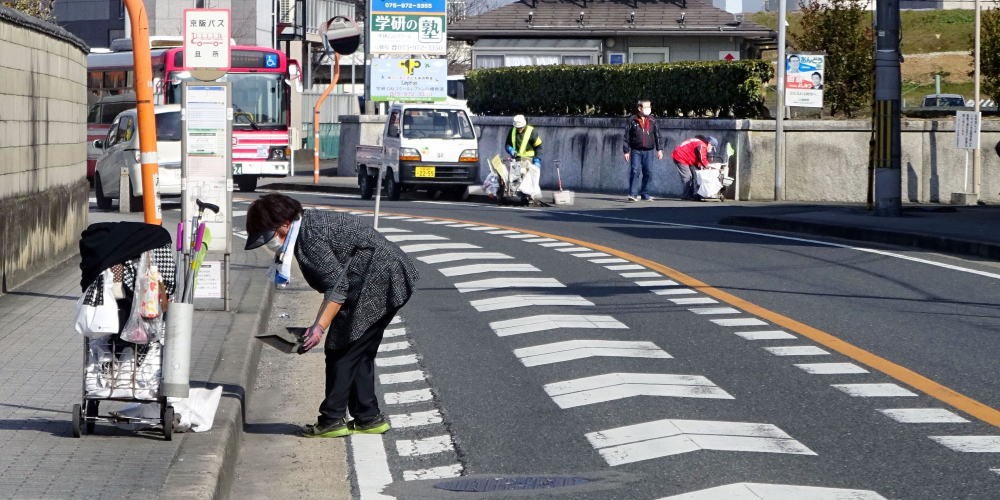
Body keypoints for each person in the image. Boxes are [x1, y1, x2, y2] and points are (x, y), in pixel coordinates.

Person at [244, 194, 420, 438]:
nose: (270, 242)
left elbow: (337, 287)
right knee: (359, 349)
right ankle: (368, 417)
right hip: (387, 276)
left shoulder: (310, 236)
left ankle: (332, 419)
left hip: (380, 280)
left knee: (342, 349)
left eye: (270, 234)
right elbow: (338, 283)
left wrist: (319, 327)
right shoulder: (307, 226)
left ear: (284, 224)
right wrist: (320, 322)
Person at [622, 99, 664, 202]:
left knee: (648, 172)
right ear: (639, 108)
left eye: (649, 106)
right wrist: (626, 151)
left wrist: (659, 149)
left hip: (649, 151)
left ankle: (645, 193)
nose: (648, 109)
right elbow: (626, 136)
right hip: (636, 150)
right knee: (635, 170)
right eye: (646, 107)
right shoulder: (632, 120)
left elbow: (657, 135)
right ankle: (633, 194)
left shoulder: (652, 120)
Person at [505, 114, 544, 203]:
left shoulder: (532, 131)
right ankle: (520, 197)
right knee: (516, 180)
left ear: (524, 125)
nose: (519, 129)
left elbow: (539, 146)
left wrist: (537, 160)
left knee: (528, 180)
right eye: (517, 128)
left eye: (521, 128)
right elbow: (507, 145)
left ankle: (529, 197)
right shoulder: (512, 131)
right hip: (516, 159)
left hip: (529, 160)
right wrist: (510, 150)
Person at [672, 135, 717, 201]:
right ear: (709, 144)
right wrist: (709, 166)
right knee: (687, 177)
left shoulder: (699, 142)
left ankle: (692, 194)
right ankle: (686, 195)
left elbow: (697, 157)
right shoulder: (702, 145)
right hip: (681, 157)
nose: (711, 150)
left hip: (684, 156)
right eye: (712, 148)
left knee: (694, 175)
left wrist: (701, 166)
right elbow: (702, 158)